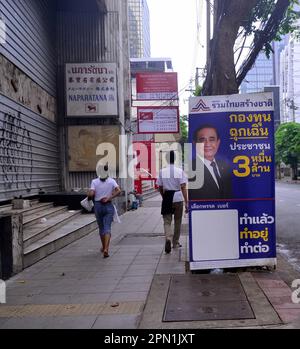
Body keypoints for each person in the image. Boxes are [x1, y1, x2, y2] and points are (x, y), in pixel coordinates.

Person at [189, 124, 232, 200]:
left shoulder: (225, 165)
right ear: (195, 143)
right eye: (202, 140)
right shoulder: (190, 169)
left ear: (218, 143)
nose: (207, 144)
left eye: (211, 139)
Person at [157, 151, 188, 254]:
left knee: (167, 221)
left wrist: (163, 196)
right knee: (178, 221)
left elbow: (160, 187)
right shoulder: (180, 171)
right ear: (174, 159)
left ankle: (168, 239)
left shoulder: (162, 171)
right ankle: (175, 242)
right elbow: (183, 187)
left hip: (167, 197)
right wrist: (187, 202)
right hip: (178, 197)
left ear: (166, 159)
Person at [88, 165, 121, 258]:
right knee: (107, 227)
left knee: (101, 227)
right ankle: (106, 248)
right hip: (108, 205)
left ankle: (103, 247)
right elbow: (118, 191)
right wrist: (109, 198)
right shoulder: (111, 181)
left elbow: (91, 194)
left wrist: (89, 194)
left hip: (98, 206)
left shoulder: (94, 182)